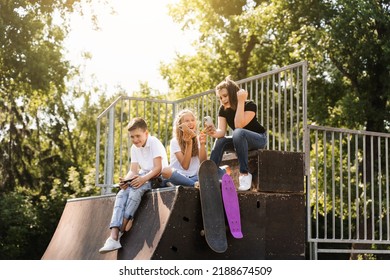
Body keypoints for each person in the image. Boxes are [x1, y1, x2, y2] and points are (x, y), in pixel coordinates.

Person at [99, 117, 168, 253]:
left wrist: (142, 179)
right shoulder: (134, 148)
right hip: (143, 176)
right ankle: (113, 236)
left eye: (138, 136)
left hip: (156, 178)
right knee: (122, 193)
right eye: (132, 137)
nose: (135, 140)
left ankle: (121, 230)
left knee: (136, 190)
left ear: (146, 133)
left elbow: (158, 168)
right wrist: (125, 180)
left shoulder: (154, 142)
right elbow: (133, 170)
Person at [204, 76, 267, 191]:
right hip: (239, 140)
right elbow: (221, 132)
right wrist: (213, 132)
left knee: (238, 132)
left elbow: (239, 125)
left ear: (233, 94)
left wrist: (241, 101)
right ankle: (209, 175)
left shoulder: (249, 105)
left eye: (225, 96)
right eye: (220, 98)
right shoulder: (223, 109)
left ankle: (244, 174)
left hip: (258, 139)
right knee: (221, 141)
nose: (222, 100)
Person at [162, 109, 207, 187]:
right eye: (187, 121)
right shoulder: (175, 141)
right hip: (179, 176)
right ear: (180, 125)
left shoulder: (198, 139)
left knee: (225, 169)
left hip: (195, 177)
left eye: (192, 120)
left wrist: (202, 144)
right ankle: (192, 184)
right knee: (166, 171)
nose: (190, 123)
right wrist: (189, 144)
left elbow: (204, 163)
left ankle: (186, 184)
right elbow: (185, 166)